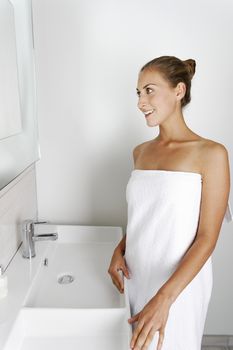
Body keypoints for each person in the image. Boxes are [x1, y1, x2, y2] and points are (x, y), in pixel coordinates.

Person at [108, 55, 231, 350]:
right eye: (139, 93)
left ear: (179, 91)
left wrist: (164, 299)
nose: (141, 102)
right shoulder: (140, 153)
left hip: (179, 286)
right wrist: (120, 248)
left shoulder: (212, 154)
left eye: (149, 90)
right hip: (136, 275)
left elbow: (206, 238)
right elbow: (149, 216)